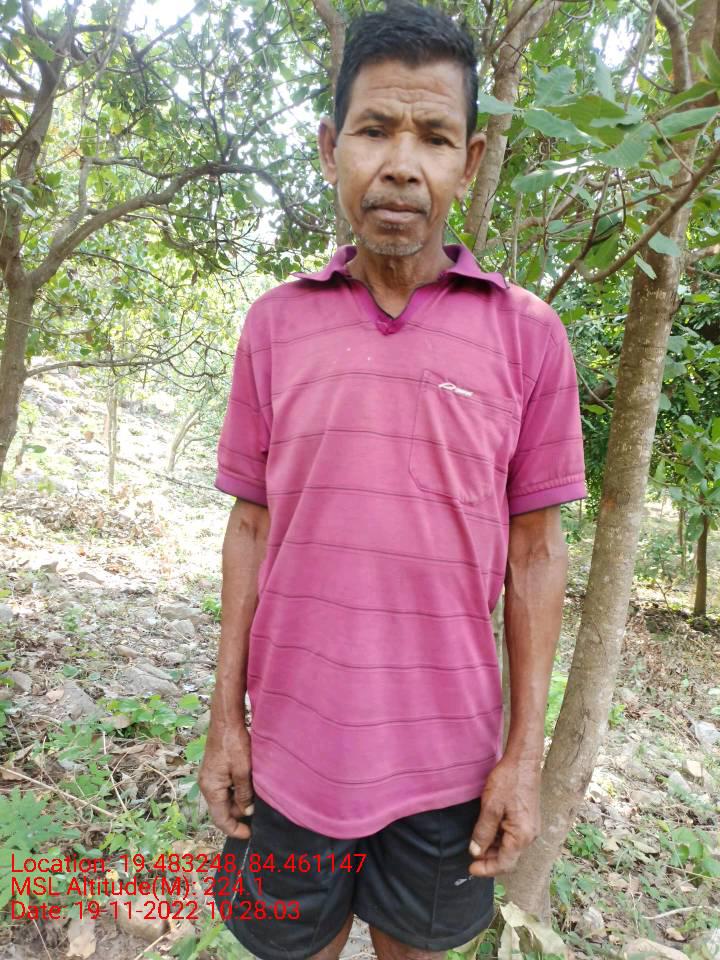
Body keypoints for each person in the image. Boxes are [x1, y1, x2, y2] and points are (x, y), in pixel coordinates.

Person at [199, 3, 586, 959]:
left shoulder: (528, 337)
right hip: (289, 754)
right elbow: (250, 527)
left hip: (448, 768)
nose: (402, 165)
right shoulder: (275, 326)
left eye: (434, 137)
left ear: (471, 159)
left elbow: (537, 554)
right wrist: (225, 720)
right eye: (374, 130)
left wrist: (523, 757)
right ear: (330, 147)